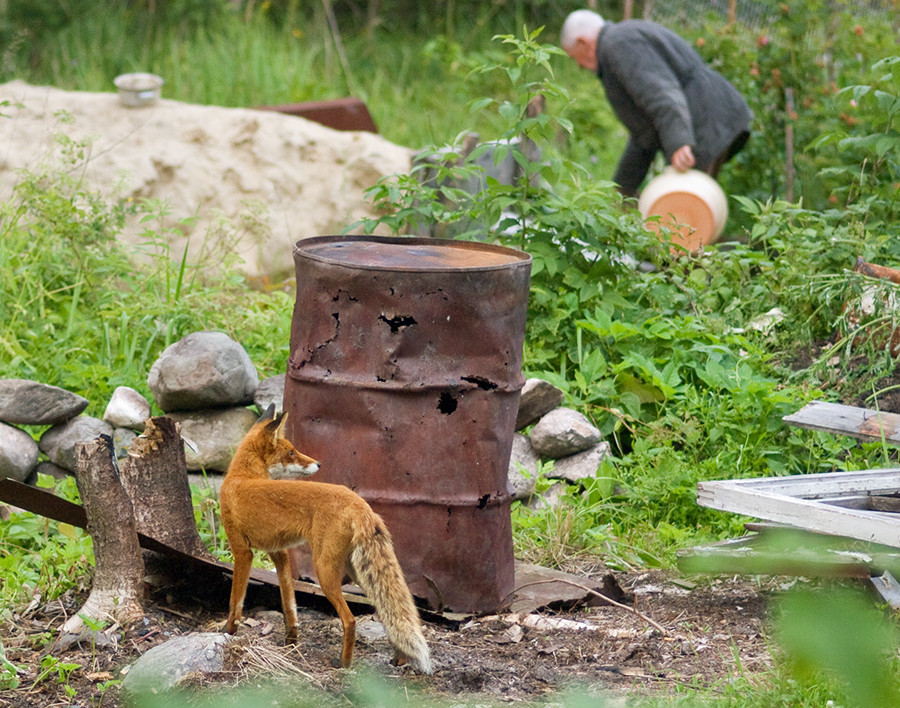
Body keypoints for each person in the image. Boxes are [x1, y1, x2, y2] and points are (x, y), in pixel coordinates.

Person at [560, 10, 752, 198]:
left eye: (573, 57)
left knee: (687, 214)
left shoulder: (618, 44)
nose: (579, 66)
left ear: (582, 42)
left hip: (704, 122)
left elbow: (660, 93)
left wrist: (678, 141)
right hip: (704, 120)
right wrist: (620, 191)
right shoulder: (617, 45)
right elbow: (644, 136)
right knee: (685, 215)